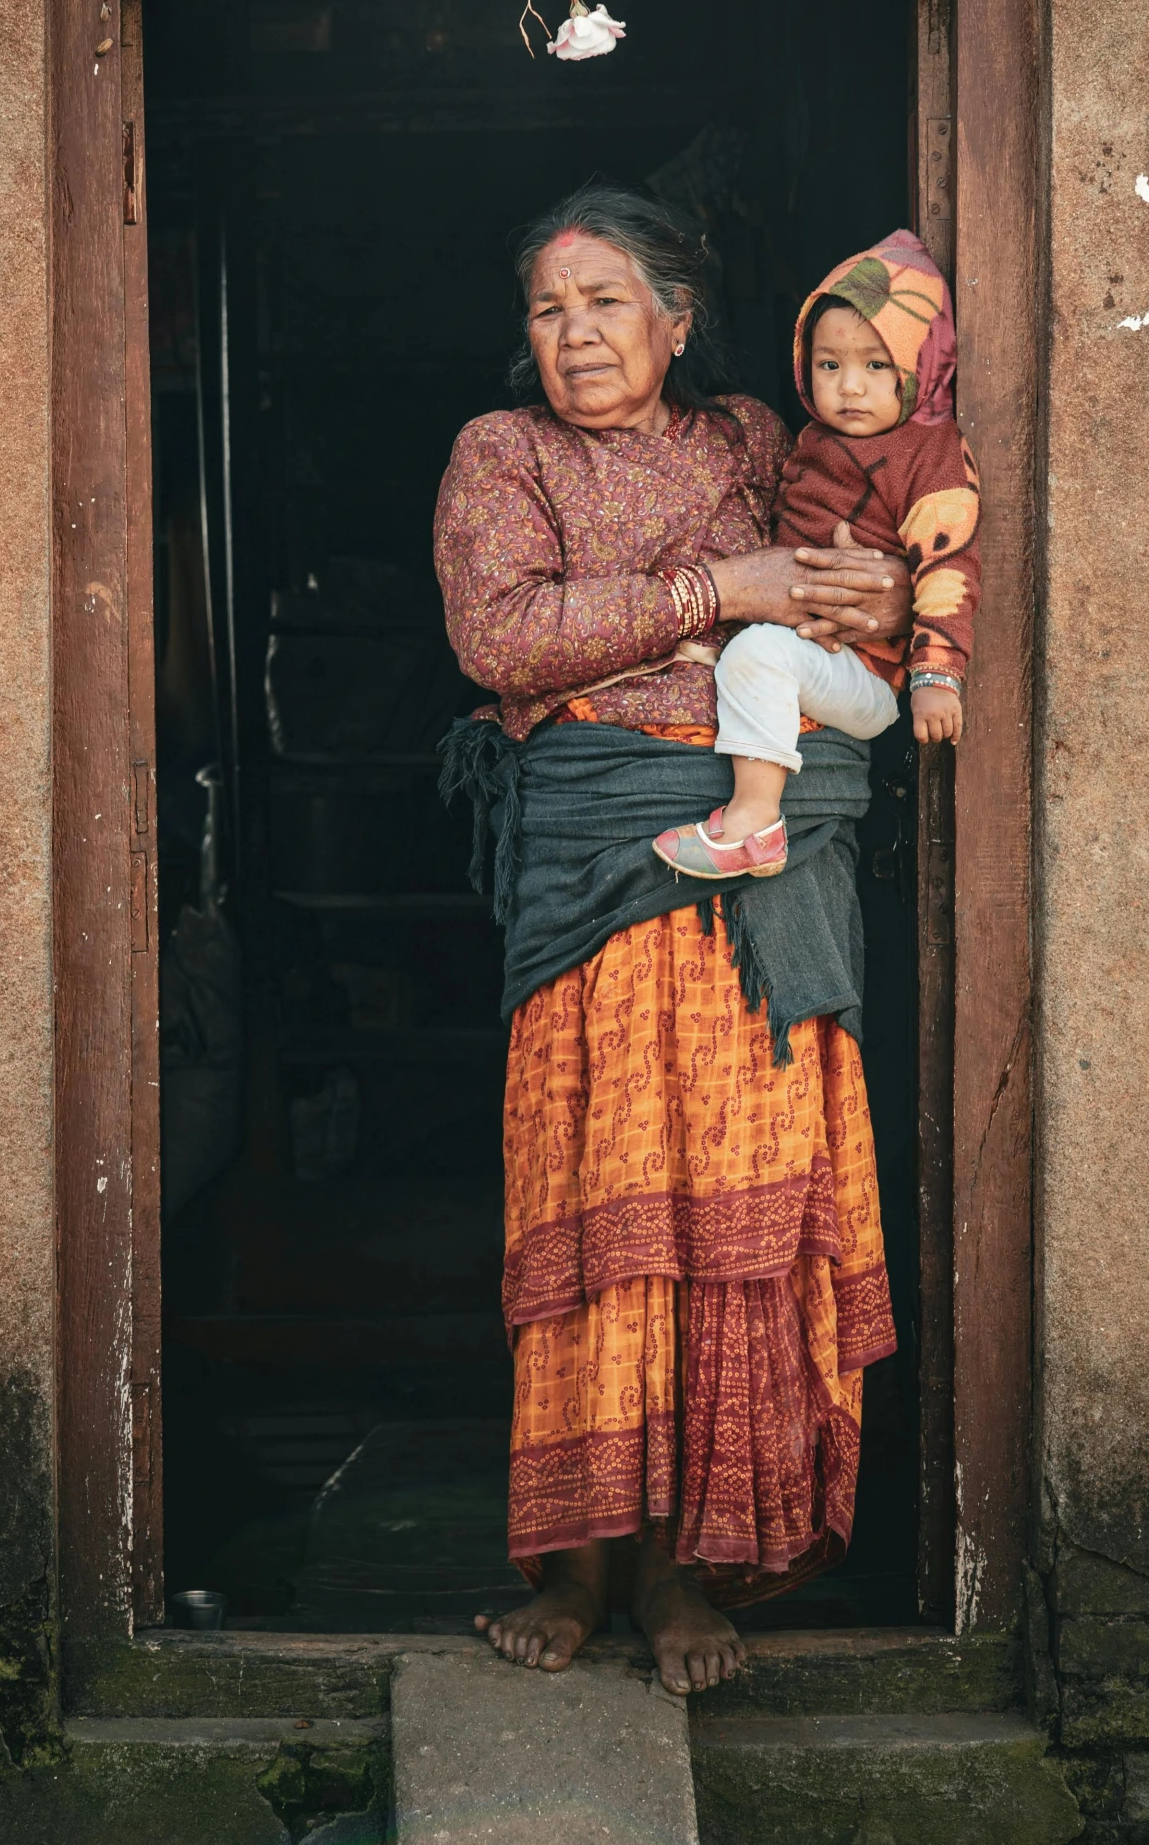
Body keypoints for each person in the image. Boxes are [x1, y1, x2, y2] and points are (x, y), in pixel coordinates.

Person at [433, 183, 906, 1695]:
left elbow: (836, 568)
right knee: (597, 1220)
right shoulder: (500, 457)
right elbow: (500, 638)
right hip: (594, 883)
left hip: (756, 894)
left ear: (676, 321)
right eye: (546, 308)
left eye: (605, 302)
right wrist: (715, 593)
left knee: (733, 1221)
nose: (573, 333)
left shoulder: (753, 441)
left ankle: (685, 1572)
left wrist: (876, 587)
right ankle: (572, 1566)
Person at [652, 231, 981, 879]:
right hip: (815, 660)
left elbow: (948, 568)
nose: (849, 387)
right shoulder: (813, 438)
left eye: (876, 365)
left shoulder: (931, 455)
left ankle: (753, 824)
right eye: (829, 365)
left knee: (754, 655)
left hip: (867, 673)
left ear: (923, 364)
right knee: (755, 654)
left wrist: (934, 676)